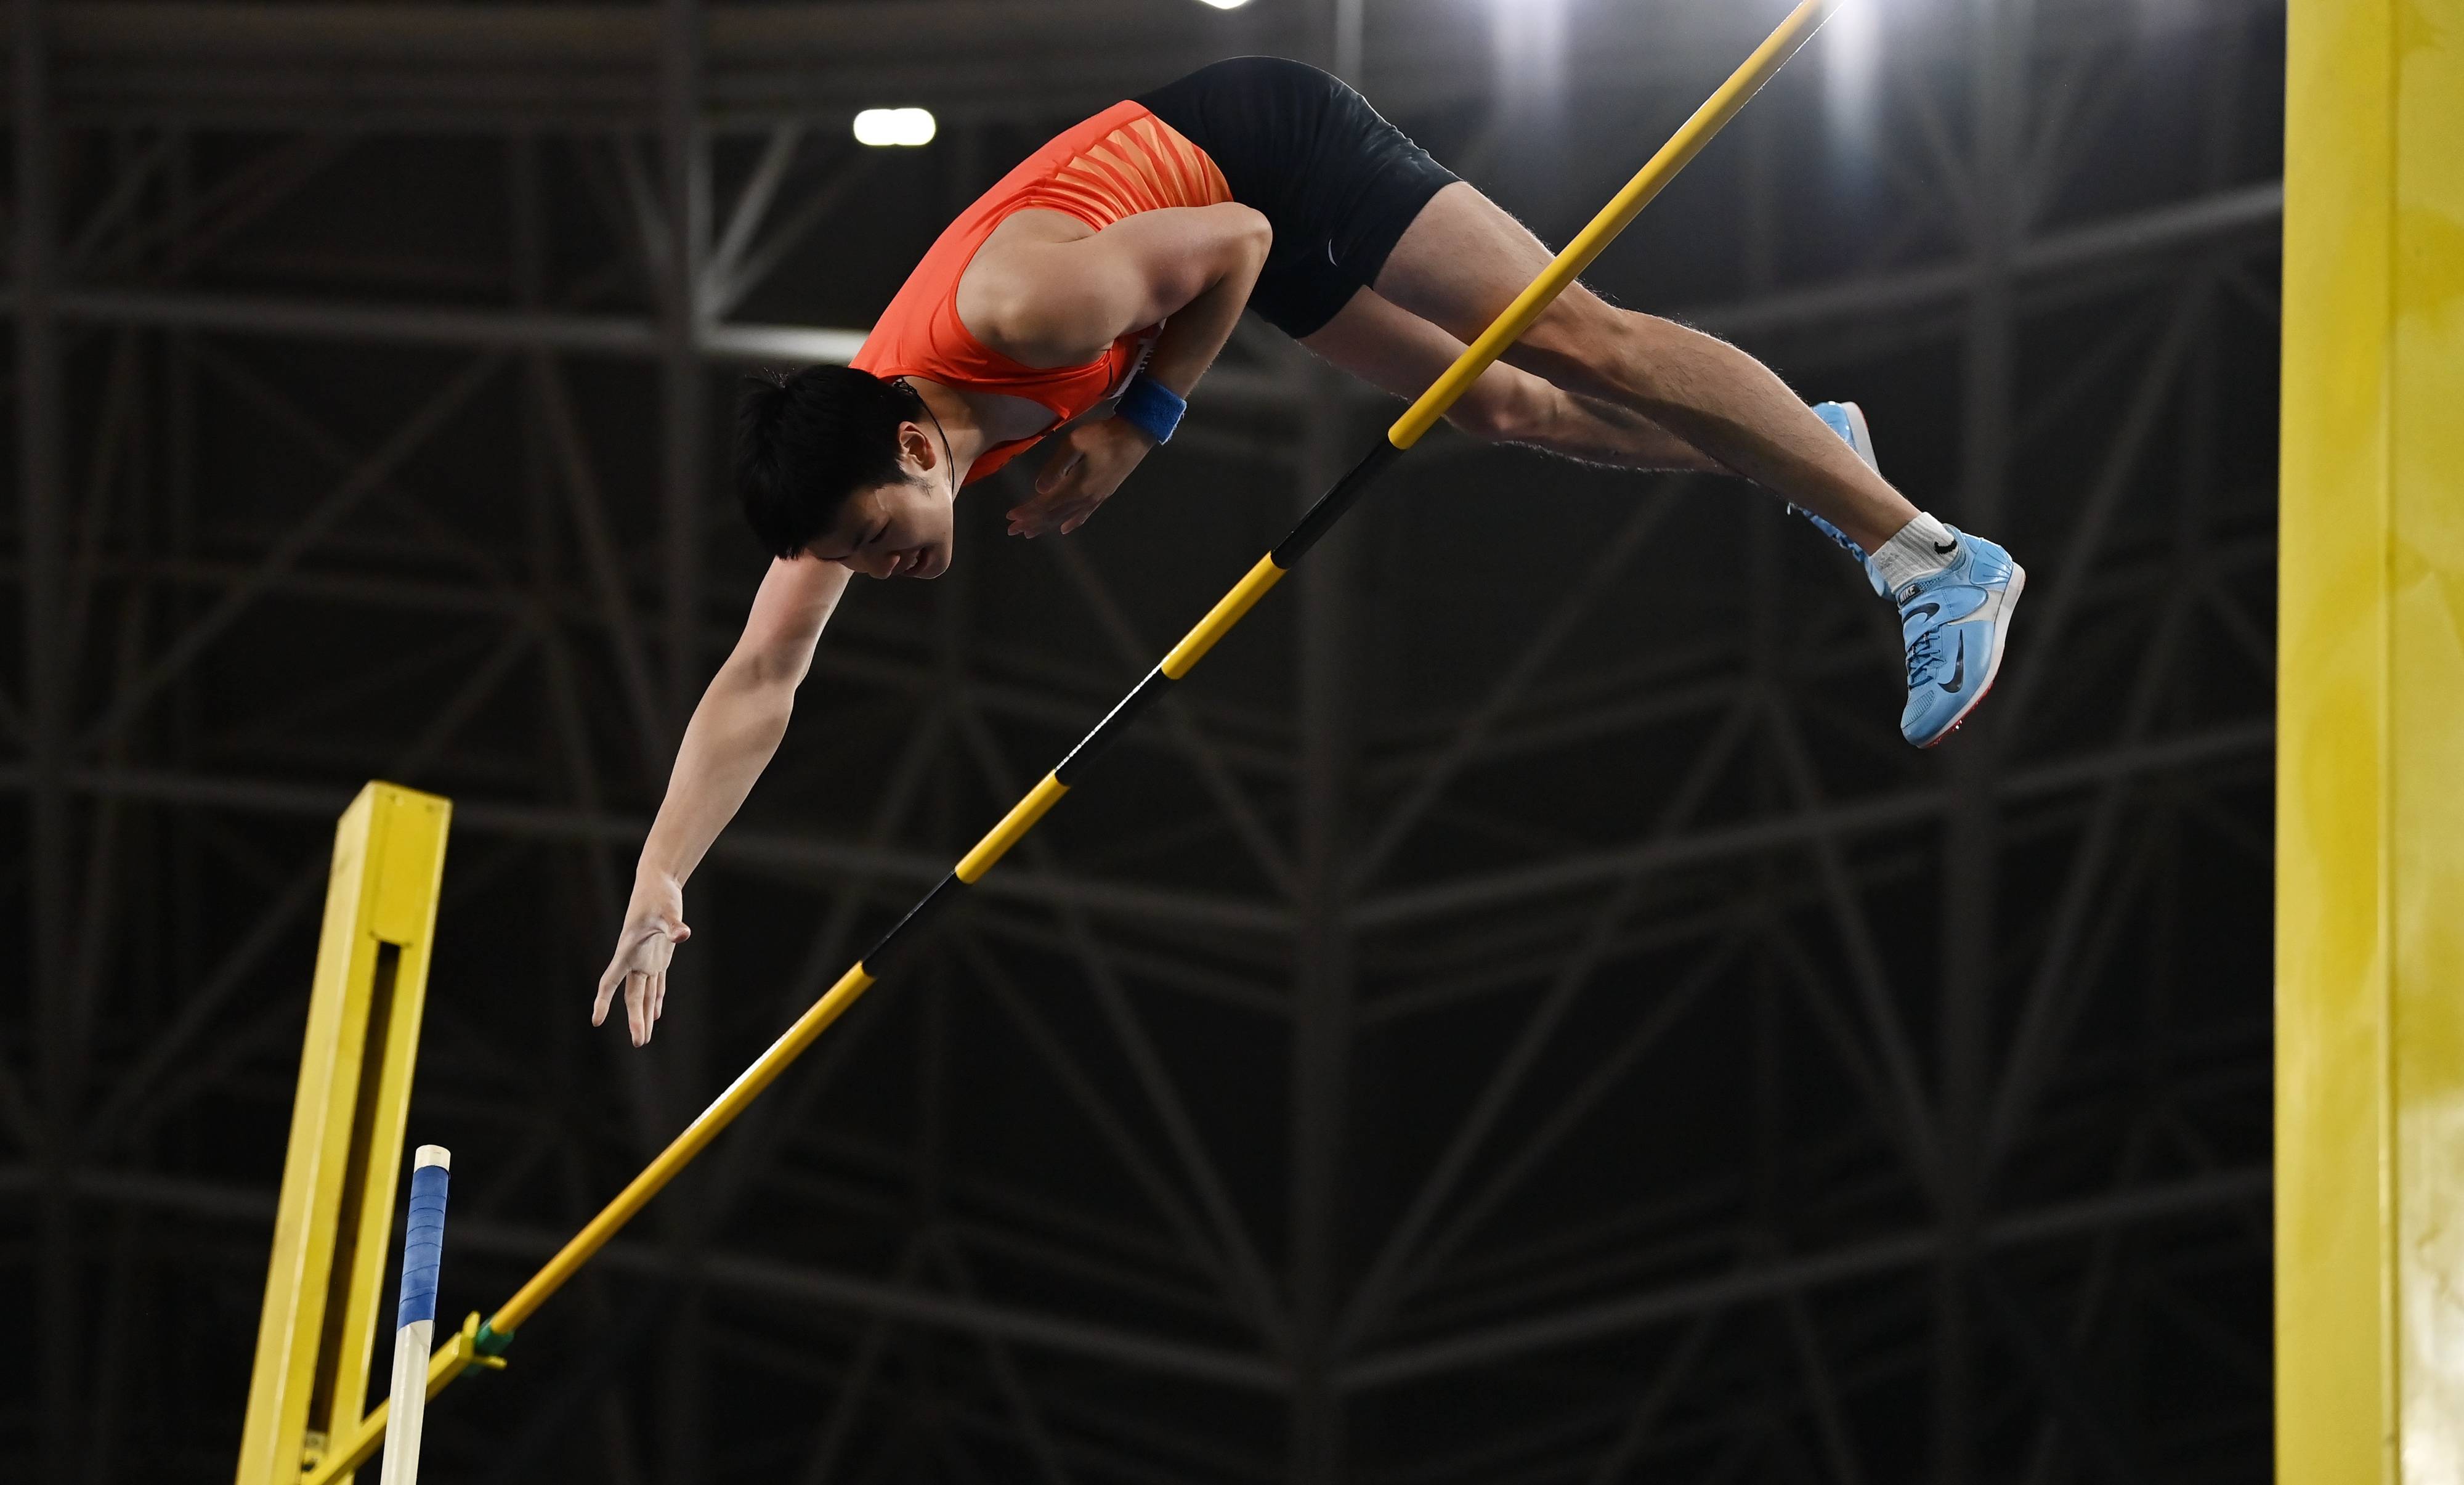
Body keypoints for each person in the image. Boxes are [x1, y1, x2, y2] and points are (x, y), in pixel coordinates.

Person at [591, 57, 2025, 1046]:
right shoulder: (861, 455)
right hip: (1199, 227)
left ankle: (1925, 551)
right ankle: (1810, 449)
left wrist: (1140, 424)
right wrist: (663, 877)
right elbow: (758, 679)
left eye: (869, 540)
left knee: (1569, 333)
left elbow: (1237, 237)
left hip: (1262, 147)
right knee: (1511, 409)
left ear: (912, 449)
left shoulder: (1026, 314)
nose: (874, 566)